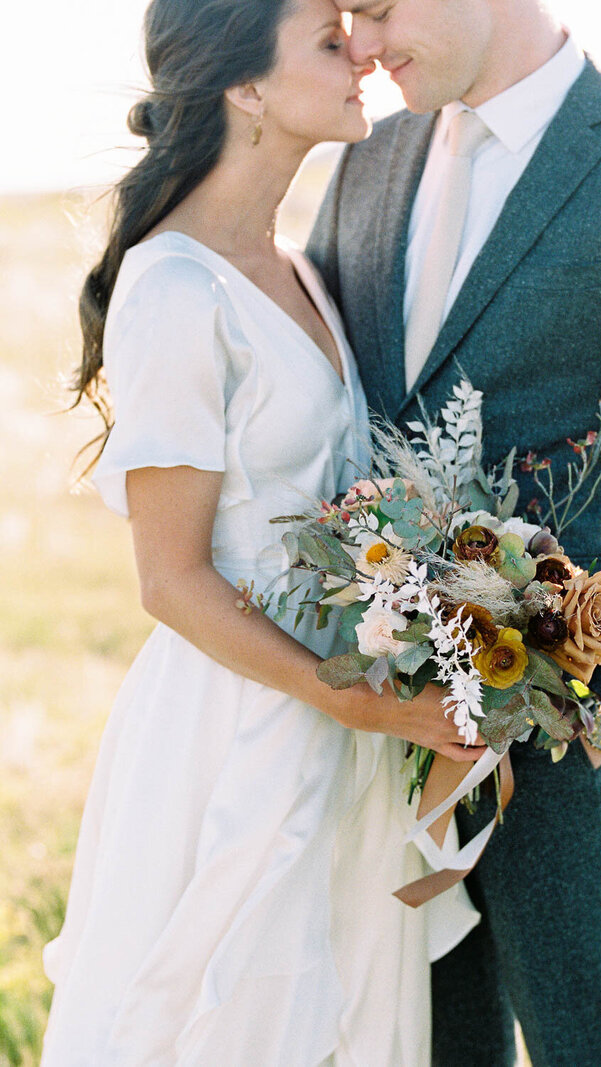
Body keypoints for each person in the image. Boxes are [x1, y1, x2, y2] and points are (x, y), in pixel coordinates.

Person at [306, 0, 601, 1063]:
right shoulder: (371, 155)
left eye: (374, 9)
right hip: (369, 735)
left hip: (547, 757)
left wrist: (598, 715)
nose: (361, 46)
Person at [41, 0, 486, 1063]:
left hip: (343, 714)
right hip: (234, 719)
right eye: (330, 44)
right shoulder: (174, 288)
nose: (363, 59)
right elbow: (172, 578)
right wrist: (349, 695)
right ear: (244, 87)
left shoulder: (296, 270)